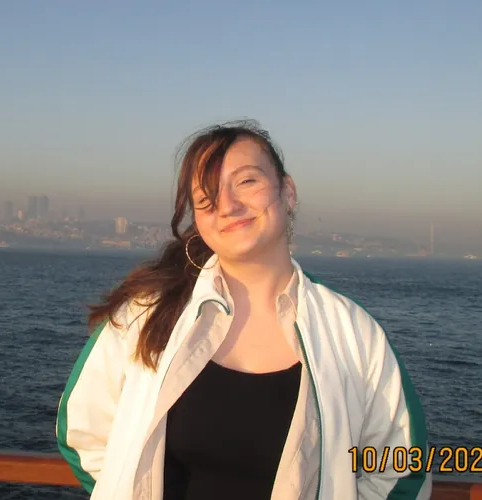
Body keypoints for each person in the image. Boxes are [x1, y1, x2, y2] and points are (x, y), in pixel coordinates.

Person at [56, 120, 432, 500]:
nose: (227, 205)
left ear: (288, 192)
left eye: (247, 181)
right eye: (206, 197)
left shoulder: (351, 332)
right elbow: (82, 434)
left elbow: (402, 472)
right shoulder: (145, 316)